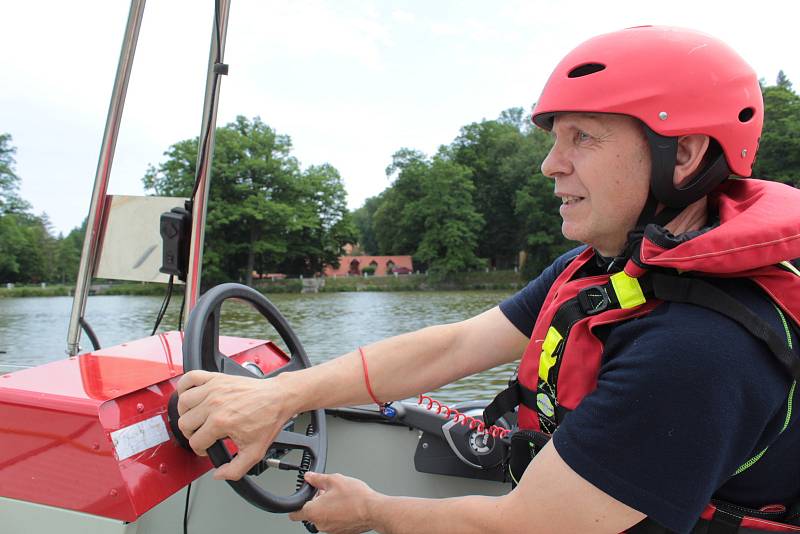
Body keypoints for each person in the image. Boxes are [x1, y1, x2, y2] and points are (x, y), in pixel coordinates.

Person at [176, 26, 800, 534]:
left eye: (583, 138)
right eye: (556, 139)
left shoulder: (699, 347)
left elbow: (529, 525)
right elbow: (454, 345)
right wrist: (282, 395)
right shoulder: (614, 266)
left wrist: (369, 512)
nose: (550, 165)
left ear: (684, 156)